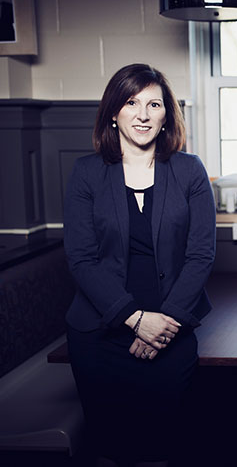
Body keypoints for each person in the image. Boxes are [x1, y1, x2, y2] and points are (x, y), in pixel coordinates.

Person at [63, 63, 216, 466]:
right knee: (111, 449)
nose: (143, 114)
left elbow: (201, 255)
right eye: (132, 103)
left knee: (167, 446)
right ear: (113, 113)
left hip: (171, 329)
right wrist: (134, 319)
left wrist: (160, 327)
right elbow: (81, 259)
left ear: (167, 114)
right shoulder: (86, 174)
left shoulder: (189, 171)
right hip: (99, 335)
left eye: (154, 104)